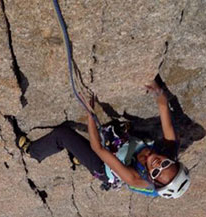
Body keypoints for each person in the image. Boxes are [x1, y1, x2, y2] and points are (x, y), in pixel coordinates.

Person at [17, 81, 191, 199]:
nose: (157, 163)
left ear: (151, 180)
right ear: (172, 159)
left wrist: (90, 115)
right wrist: (160, 96)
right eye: (166, 164)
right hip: (128, 148)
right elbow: (164, 111)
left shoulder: (135, 177)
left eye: (155, 173)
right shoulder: (170, 150)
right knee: (117, 129)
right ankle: (79, 158)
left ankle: (33, 151)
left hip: (104, 167)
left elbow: (98, 149)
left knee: (63, 135)